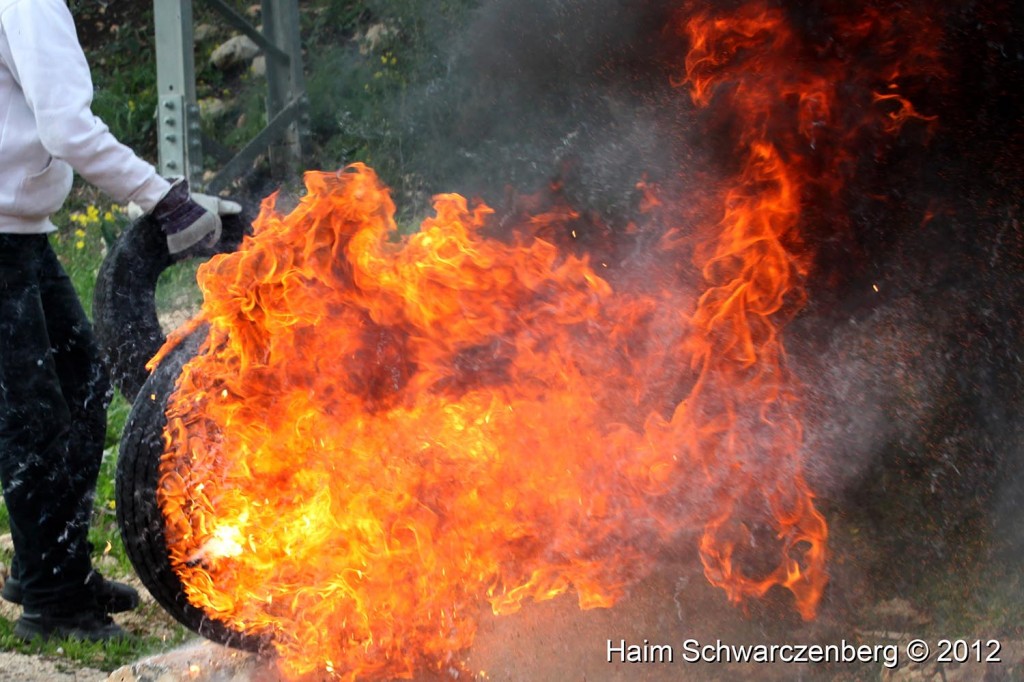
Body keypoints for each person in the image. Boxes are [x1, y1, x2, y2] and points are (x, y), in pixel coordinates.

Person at [0, 0, 239, 641]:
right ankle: (53, 606)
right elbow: (66, 129)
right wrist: (162, 197)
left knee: (80, 386)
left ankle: (50, 568)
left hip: (20, 231)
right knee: (36, 419)